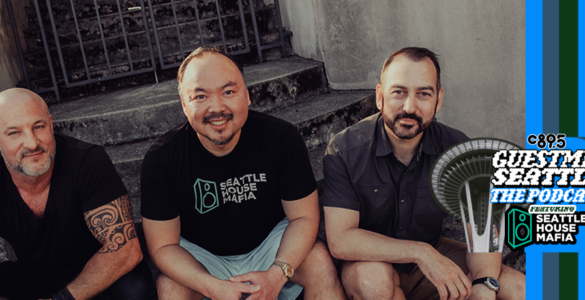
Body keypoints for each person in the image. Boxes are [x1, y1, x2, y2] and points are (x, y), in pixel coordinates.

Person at [140, 46, 345, 300]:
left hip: (269, 247)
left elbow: (304, 218)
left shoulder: (280, 138)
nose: (217, 108)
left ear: (246, 95)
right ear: (184, 104)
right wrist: (210, 286)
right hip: (203, 259)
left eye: (228, 92)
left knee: (319, 263)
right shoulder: (162, 159)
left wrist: (277, 274)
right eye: (200, 96)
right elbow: (163, 246)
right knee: (170, 288)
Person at [322, 47, 526, 300]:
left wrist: (483, 285)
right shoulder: (345, 150)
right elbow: (341, 240)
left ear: (438, 99)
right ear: (379, 96)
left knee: (520, 289)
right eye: (399, 92)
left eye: (423, 94)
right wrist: (422, 253)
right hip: (368, 262)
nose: (410, 106)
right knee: (373, 281)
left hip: (430, 258)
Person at [0, 88, 155, 300]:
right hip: (38, 276)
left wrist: (61, 299)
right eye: (14, 132)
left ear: (51, 124)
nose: (32, 143)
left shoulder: (86, 162)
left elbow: (126, 250)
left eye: (39, 126)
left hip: (99, 271)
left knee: (135, 290)